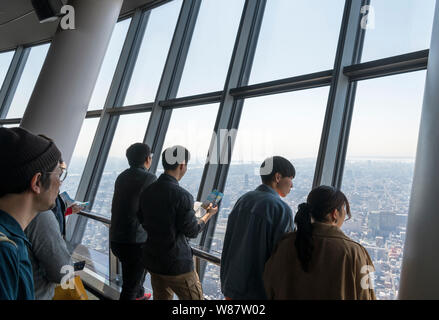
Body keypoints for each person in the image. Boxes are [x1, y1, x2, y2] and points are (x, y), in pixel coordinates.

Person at [263, 185, 376, 300]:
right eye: (344, 210)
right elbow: (366, 295)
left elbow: (269, 285)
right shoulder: (355, 252)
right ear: (335, 213)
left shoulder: (285, 245)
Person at [138, 145, 218, 300]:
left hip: (154, 260)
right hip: (176, 264)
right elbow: (192, 231)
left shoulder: (147, 191)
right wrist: (208, 215)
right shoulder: (183, 196)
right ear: (182, 165)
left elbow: (142, 218)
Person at [220, 156, 295, 300]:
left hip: (232, 287)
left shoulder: (243, 200)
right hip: (258, 291)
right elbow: (283, 255)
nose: (291, 185)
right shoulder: (281, 209)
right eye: (290, 179)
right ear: (278, 177)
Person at [0, 127, 62, 300]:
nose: (60, 183)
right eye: (59, 173)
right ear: (36, 182)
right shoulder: (6, 251)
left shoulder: (11, 239)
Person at [110, 143, 156, 300]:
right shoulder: (149, 178)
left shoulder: (122, 176)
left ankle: (140, 295)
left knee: (132, 280)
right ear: (147, 159)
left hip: (117, 238)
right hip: (134, 241)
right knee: (129, 288)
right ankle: (136, 295)